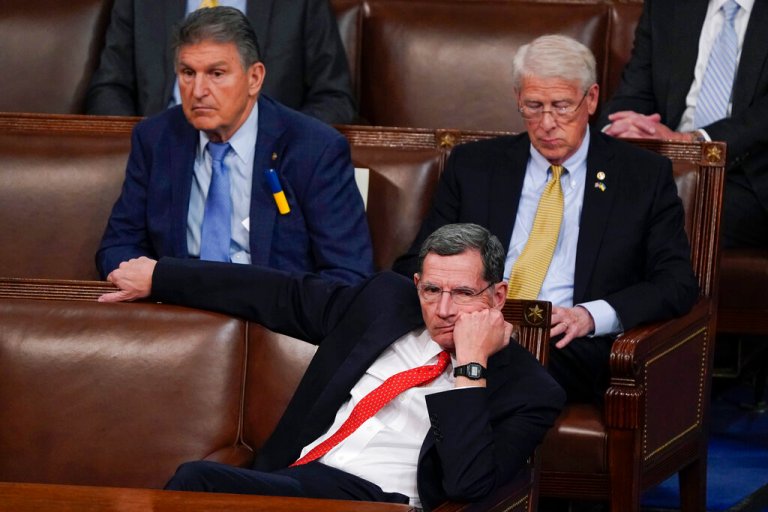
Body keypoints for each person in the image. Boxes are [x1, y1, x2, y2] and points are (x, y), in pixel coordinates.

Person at [98, 223, 565, 510]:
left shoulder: (530, 390)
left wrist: (470, 368)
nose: (442, 310)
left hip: (381, 501)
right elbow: (280, 294)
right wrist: (162, 275)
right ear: (417, 284)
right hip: (299, 478)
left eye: (462, 294)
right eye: (431, 291)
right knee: (195, 480)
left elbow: (469, 485)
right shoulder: (384, 304)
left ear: (497, 296)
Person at [393, 35, 699, 403]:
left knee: (502, 367)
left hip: (566, 344)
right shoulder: (474, 167)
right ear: (517, 100)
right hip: (467, 326)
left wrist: (590, 315)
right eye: (534, 107)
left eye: (562, 106)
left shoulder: (641, 177)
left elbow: (676, 282)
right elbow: (416, 263)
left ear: (591, 99)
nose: (547, 123)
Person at [96, 6, 373, 285]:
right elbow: (117, 247)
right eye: (188, 73)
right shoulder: (156, 139)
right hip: (176, 312)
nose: (198, 91)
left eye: (216, 73)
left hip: (273, 317)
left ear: (254, 78)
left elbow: (348, 275)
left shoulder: (314, 149)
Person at [600, 0, 768, 249]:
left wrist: (693, 141)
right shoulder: (668, 5)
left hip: (750, 176)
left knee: (658, 212)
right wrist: (620, 131)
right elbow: (635, 92)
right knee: (583, 194)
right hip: (665, 165)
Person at [85, 0, 356, 125]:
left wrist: (277, 145)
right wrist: (145, 144)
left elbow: (334, 97)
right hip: (162, 157)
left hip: (263, 165)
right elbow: (109, 89)